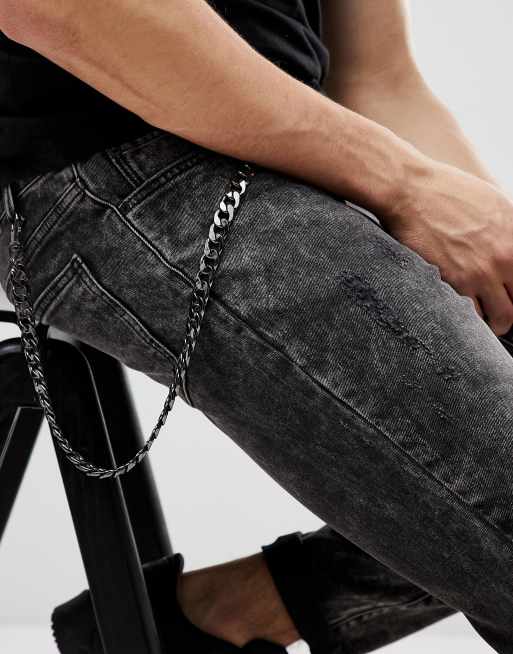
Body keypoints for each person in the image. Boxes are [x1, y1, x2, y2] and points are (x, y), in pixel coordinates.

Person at [1, 1, 513, 653]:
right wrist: (405, 185)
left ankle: (229, 613)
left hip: (312, 157)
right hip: (106, 160)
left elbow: (378, 80)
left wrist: (487, 242)